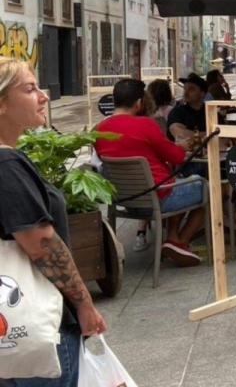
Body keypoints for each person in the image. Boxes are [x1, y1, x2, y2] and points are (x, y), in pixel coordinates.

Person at [0, 58, 107, 385]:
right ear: (2, 103)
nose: (44, 97)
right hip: (39, 324)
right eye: (30, 89)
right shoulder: (6, 164)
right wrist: (84, 304)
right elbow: (41, 243)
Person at [95, 79, 207, 266]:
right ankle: (179, 241)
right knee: (204, 187)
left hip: (125, 200)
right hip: (158, 196)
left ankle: (172, 237)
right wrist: (179, 147)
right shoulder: (146, 125)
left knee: (177, 181)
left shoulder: (99, 130)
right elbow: (177, 157)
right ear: (139, 103)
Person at [167, 73, 208, 145]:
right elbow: (179, 134)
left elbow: (223, 136)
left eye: (191, 89)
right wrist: (209, 135)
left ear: (202, 93)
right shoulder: (177, 112)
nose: (186, 93)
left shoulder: (210, 113)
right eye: (185, 89)